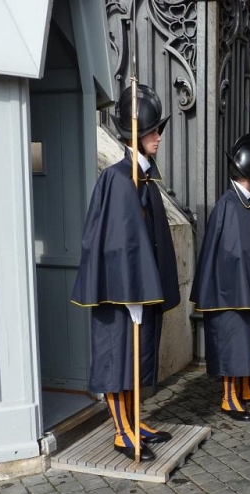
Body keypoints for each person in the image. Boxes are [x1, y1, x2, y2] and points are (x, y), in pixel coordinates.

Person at [72, 85, 180, 462]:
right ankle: (122, 431)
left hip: (141, 289)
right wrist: (129, 291)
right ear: (137, 134)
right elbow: (116, 243)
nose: (159, 137)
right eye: (153, 131)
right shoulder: (120, 179)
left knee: (136, 360)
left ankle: (136, 419)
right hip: (121, 294)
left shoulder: (143, 177)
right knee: (120, 361)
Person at [190, 134, 250, 422]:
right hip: (229, 294)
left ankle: (245, 388)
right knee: (234, 343)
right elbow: (232, 253)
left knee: (248, 340)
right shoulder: (229, 205)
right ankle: (229, 398)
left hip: (243, 289)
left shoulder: (241, 203)